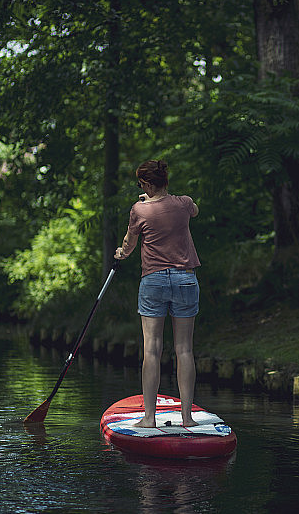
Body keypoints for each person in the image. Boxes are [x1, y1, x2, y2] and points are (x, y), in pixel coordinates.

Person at [114, 159, 201, 428]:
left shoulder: (139, 210)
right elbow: (194, 211)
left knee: (151, 350)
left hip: (153, 282)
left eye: (142, 184)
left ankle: (149, 419)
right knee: (184, 349)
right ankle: (187, 418)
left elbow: (129, 243)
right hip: (185, 279)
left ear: (148, 184)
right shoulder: (184, 203)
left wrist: (121, 253)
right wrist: (159, 197)